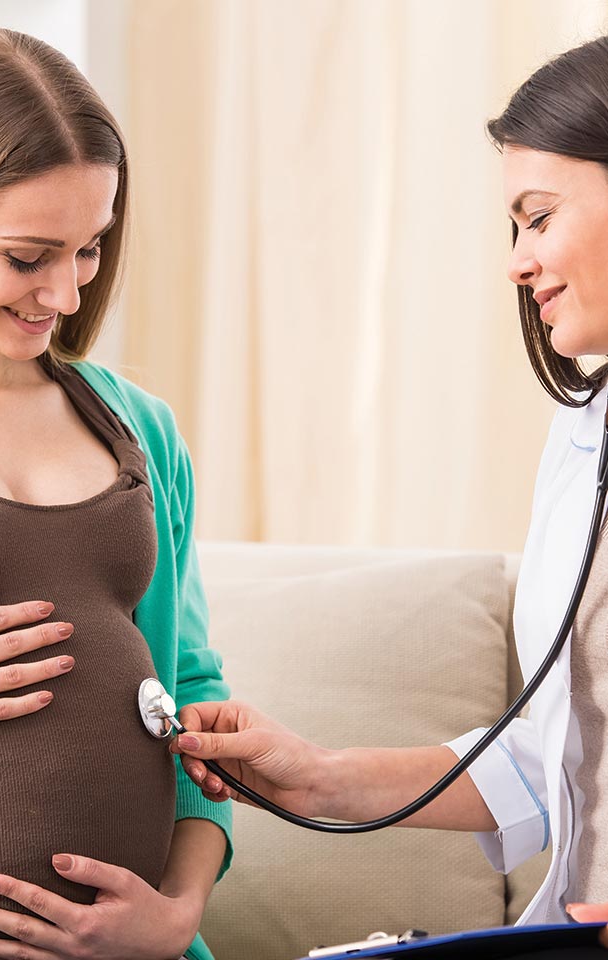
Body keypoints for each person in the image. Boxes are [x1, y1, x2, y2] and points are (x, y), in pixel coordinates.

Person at [172, 32, 608, 956]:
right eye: (515, 227)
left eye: (538, 217)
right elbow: (564, 752)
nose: (517, 262)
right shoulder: (584, 438)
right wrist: (320, 777)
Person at [0, 26, 231, 960]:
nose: (65, 295)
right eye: (28, 257)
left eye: (90, 249)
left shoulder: (138, 426)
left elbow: (194, 693)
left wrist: (177, 915)